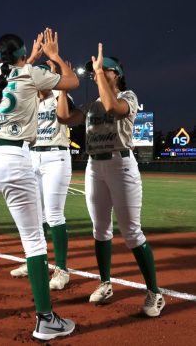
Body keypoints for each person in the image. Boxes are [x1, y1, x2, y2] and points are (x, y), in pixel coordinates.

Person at [0, 28, 79, 341]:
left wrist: (29, 57)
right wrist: (52, 56)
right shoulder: (32, 73)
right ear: (24, 55)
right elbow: (72, 81)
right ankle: (46, 319)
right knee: (33, 240)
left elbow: (14, 69)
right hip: (12, 156)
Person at [56, 43, 165, 317]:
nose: (97, 73)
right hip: (95, 166)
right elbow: (65, 117)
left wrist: (99, 74)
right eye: (97, 70)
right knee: (100, 229)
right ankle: (105, 283)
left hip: (121, 164)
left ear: (116, 74)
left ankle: (155, 292)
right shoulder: (91, 104)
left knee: (131, 232)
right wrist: (62, 87)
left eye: (104, 70)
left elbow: (112, 106)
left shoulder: (128, 95)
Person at [10, 60, 74, 291]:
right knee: (35, 215)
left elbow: (66, 116)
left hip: (55, 156)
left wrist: (59, 77)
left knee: (54, 214)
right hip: (32, 157)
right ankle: (36, 261)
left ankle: (62, 270)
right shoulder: (29, 101)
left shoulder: (59, 96)